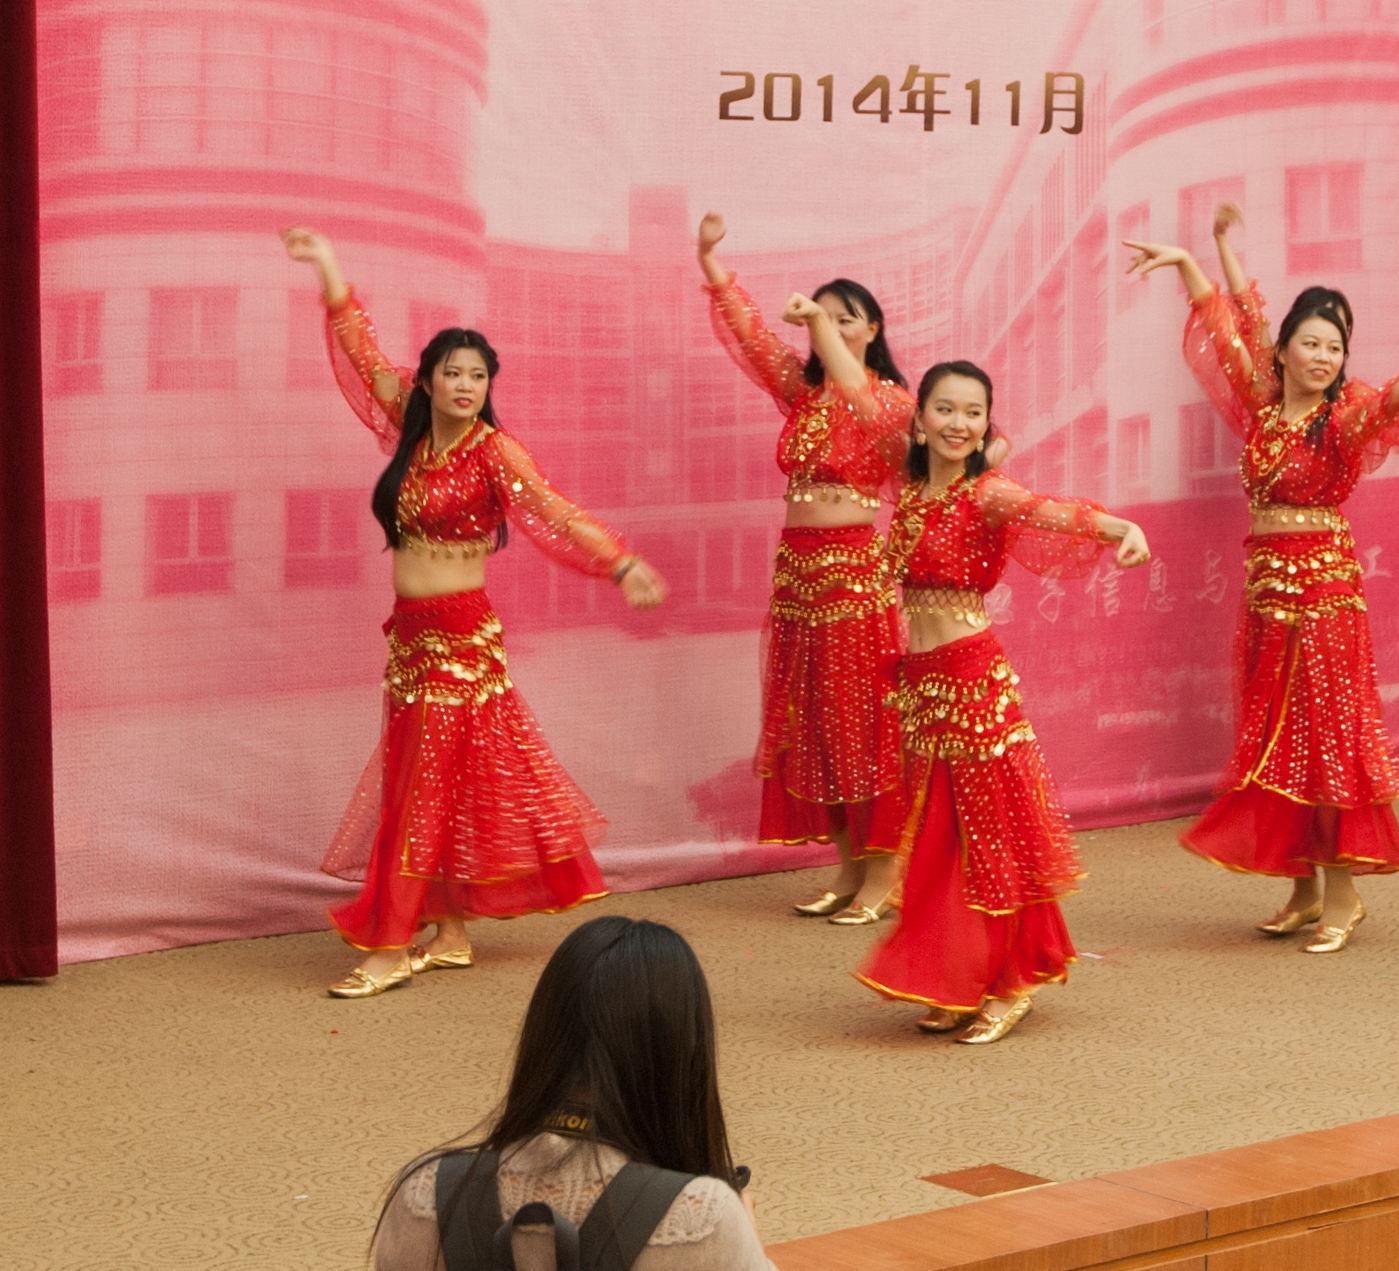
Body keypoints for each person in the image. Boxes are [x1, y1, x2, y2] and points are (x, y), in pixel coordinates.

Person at [283, 228, 668, 999]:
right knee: (428, 786)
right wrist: (328, 267)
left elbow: (555, 513)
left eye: (478, 375)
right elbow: (360, 352)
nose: (466, 385)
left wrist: (621, 562)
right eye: (453, 372)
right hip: (410, 640)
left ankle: (391, 944)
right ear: (427, 381)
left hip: (460, 641)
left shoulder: (494, 452)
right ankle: (450, 931)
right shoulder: (410, 430)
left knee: (419, 794)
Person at [1122, 206, 1399, 954]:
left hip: (1323, 596)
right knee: (1279, 738)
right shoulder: (1262, 406)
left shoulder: (1337, 421)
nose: (1322, 356)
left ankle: (1343, 892)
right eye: (1310, 342)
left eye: (1335, 347)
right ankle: (1304, 886)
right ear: (1283, 352)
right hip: (1267, 593)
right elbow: (1232, 327)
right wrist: (1192, 260)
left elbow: (1386, 407)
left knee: (1326, 734)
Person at [855, 362, 1151, 1044]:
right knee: (938, 839)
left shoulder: (986, 492)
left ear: (988, 422)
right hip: (923, 684)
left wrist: (1120, 529)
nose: (958, 423)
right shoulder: (910, 492)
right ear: (920, 419)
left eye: (973, 412)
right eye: (945, 409)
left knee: (988, 833)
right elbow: (861, 403)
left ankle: (1012, 981)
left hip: (970, 679)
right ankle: (958, 976)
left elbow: (1050, 511)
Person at [699, 213, 916, 925]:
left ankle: (884, 874)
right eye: (823, 317)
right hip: (798, 581)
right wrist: (712, 265)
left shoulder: (889, 400)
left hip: (853, 580)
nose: (830, 327)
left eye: (845, 318)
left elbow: (857, 392)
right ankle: (849, 869)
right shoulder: (802, 396)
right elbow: (754, 339)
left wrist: (818, 323)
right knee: (819, 726)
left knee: (863, 724)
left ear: (872, 330)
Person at [371, 916, 775, 1270]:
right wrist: (747, 1234)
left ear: (542, 1034)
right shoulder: (703, 1217)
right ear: (682, 1059)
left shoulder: (424, 1193)